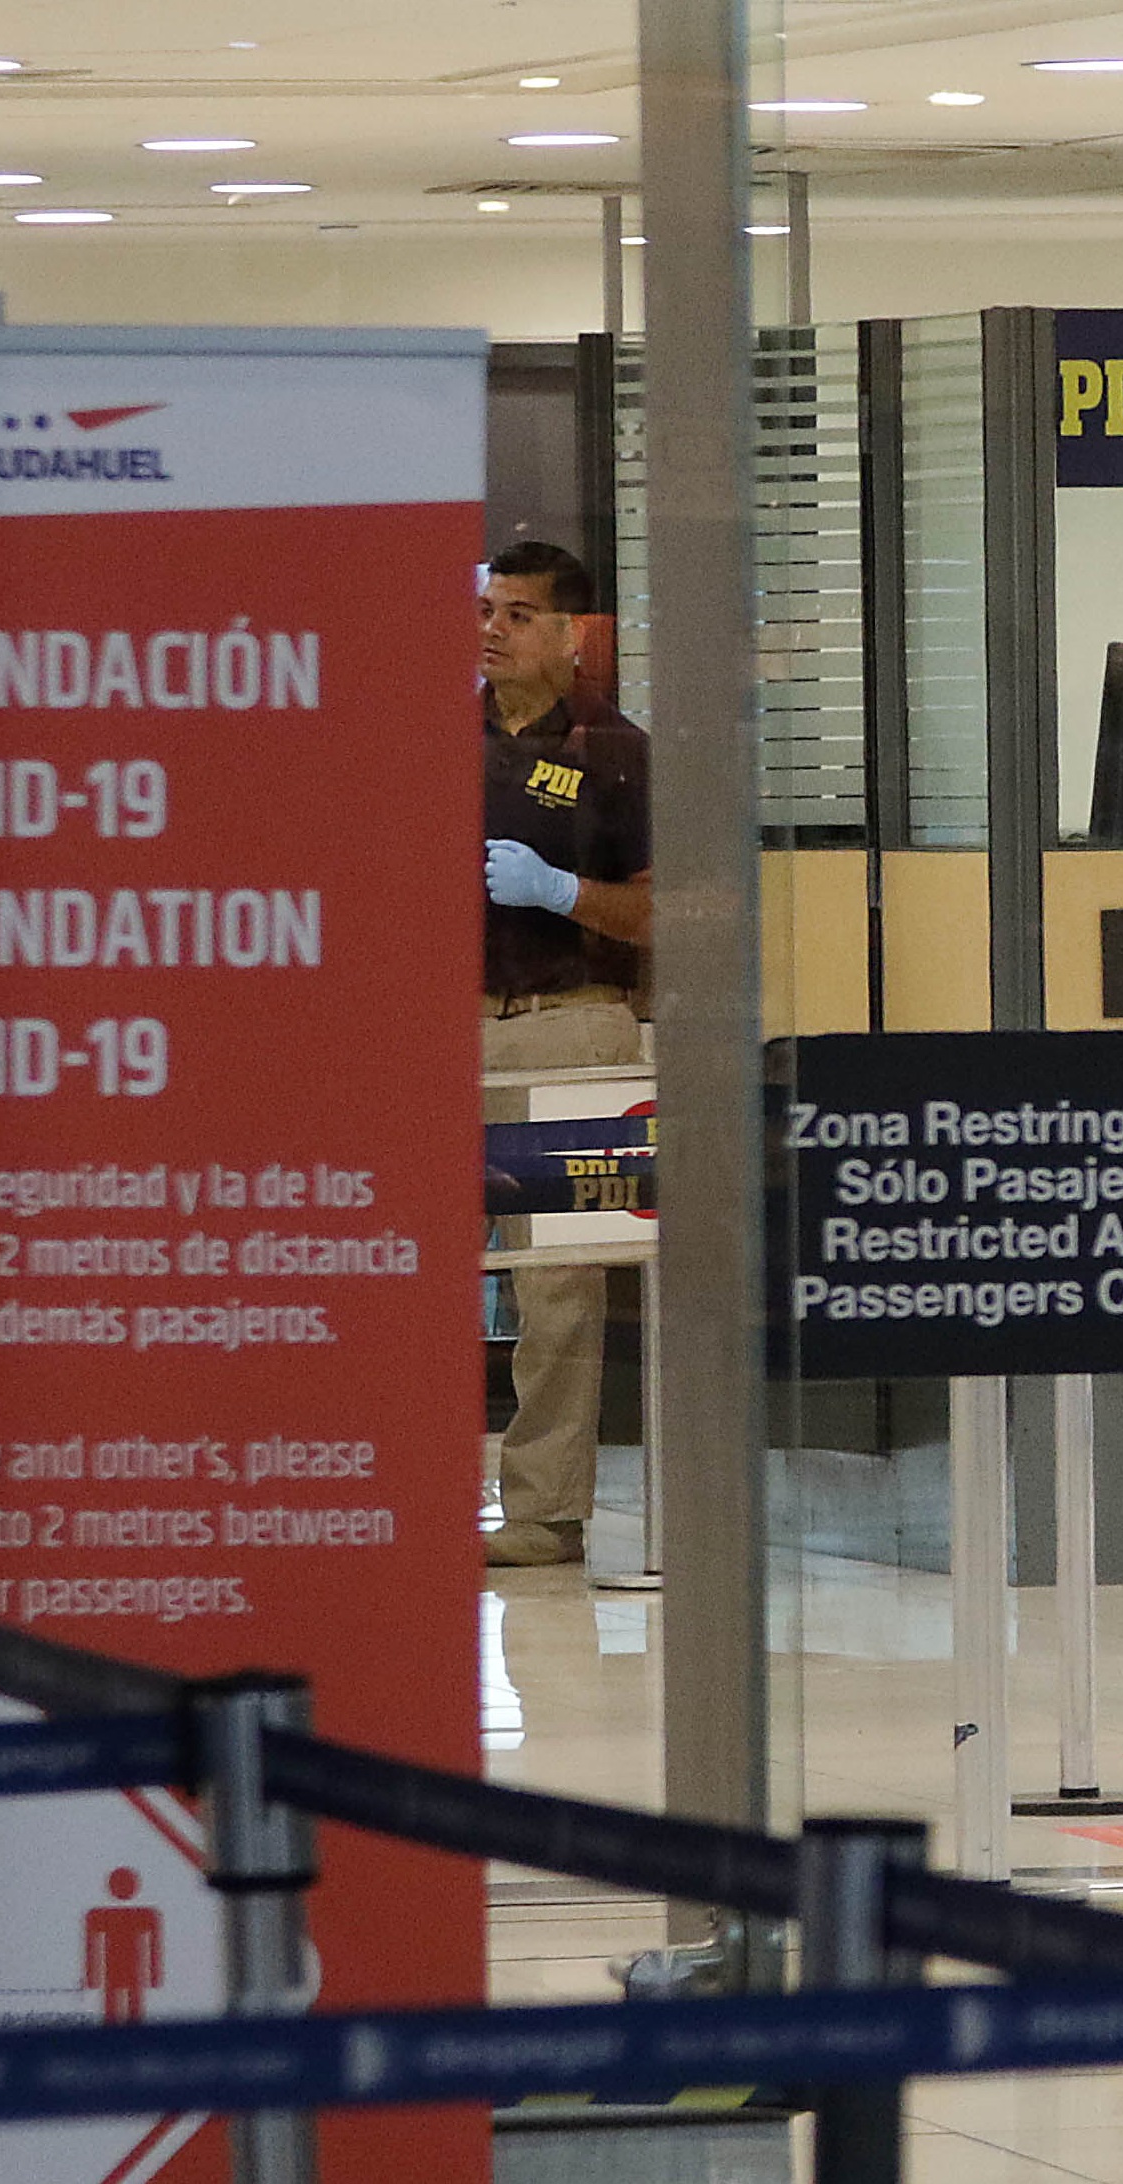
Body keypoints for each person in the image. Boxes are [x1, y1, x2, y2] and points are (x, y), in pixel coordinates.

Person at [478, 539, 652, 1569]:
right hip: (443, 1028)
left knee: (557, 1288)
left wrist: (561, 891)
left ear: (573, 633)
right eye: (485, 611)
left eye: (518, 614)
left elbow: (662, 914)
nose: (492, 630)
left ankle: (543, 1512)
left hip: (570, 1027)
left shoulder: (617, 752)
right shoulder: (429, 739)